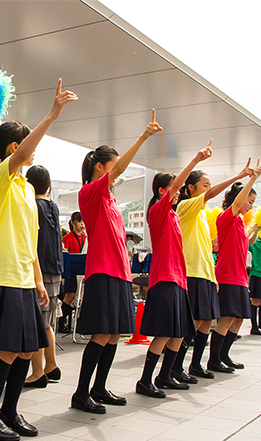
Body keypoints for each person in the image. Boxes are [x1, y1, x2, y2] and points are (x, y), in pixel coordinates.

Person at [0, 79, 77, 441]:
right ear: (15, 147)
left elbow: (30, 238)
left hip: (25, 276)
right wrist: (53, 114)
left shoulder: (27, 188)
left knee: (28, 347)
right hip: (1, 273)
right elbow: (26, 148)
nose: (34, 151)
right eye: (27, 145)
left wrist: (39, 280)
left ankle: (8, 411)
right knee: (10, 348)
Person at [71, 109, 161, 414]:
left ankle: (98, 388)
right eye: (113, 167)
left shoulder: (109, 198)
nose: (117, 174)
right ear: (101, 167)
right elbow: (119, 169)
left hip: (119, 273)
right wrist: (144, 136)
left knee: (113, 334)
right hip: (102, 271)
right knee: (101, 333)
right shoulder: (90, 193)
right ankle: (81, 393)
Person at [136, 141, 212, 398]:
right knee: (164, 333)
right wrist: (196, 159)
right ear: (162, 191)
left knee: (179, 332)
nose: (177, 193)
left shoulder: (173, 215)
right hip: (165, 278)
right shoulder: (158, 210)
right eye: (173, 189)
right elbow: (179, 185)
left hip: (179, 279)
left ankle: (165, 376)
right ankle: (145, 380)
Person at [172, 160, 255, 382]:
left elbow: (208, 245)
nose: (208, 188)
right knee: (195, 322)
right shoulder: (185, 207)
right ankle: (176, 367)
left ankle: (196, 364)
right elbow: (213, 197)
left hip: (206, 273)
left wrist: (212, 275)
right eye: (205, 184)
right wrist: (239, 176)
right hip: (192, 271)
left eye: (209, 185)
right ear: (190, 187)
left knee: (207, 322)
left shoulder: (202, 214)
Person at [210, 160, 261, 373]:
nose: (250, 205)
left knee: (239, 318)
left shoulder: (241, 222)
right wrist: (252, 178)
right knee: (226, 318)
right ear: (238, 200)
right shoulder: (226, 218)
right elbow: (237, 203)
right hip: (227, 276)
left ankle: (224, 355)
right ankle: (214, 359)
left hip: (241, 277)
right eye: (249, 201)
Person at [24, 165, 63, 388]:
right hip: (55, 269)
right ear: (48, 185)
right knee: (47, 321)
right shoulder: (53, 207)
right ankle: (51, 365)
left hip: (39, 270)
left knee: (37, 322)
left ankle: (38, 371)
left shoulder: (32, 206)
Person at [60, 211, 86, 324]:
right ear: (73, 223)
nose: (82, 224)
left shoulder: (85, 238)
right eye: (79, 221)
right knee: (69, 297)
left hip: (82, 271)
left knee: (78, 299)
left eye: (83, 221)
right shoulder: (68, 237)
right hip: (71, 271)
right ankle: (60, 321)